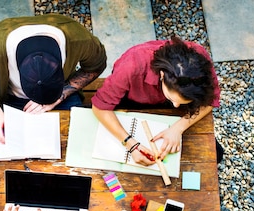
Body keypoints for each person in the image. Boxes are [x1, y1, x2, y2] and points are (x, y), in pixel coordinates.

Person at [0, 14, 107, 143]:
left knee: (80, 140)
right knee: (4, 142)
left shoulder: (78, 39)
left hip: (62, 94)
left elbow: (96, 65)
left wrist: (61, 95)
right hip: (13, 98)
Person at [92, 36, 221, 164]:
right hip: (133, 101)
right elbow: (100, 107)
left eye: (181, 102)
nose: (175, 106)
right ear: (162, 75)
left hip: (180, 115)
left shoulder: (199, 60)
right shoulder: (132, 65)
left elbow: (210, 100)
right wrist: (130, 144)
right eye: (172, 98)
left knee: (215, 154)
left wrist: (178, 128)